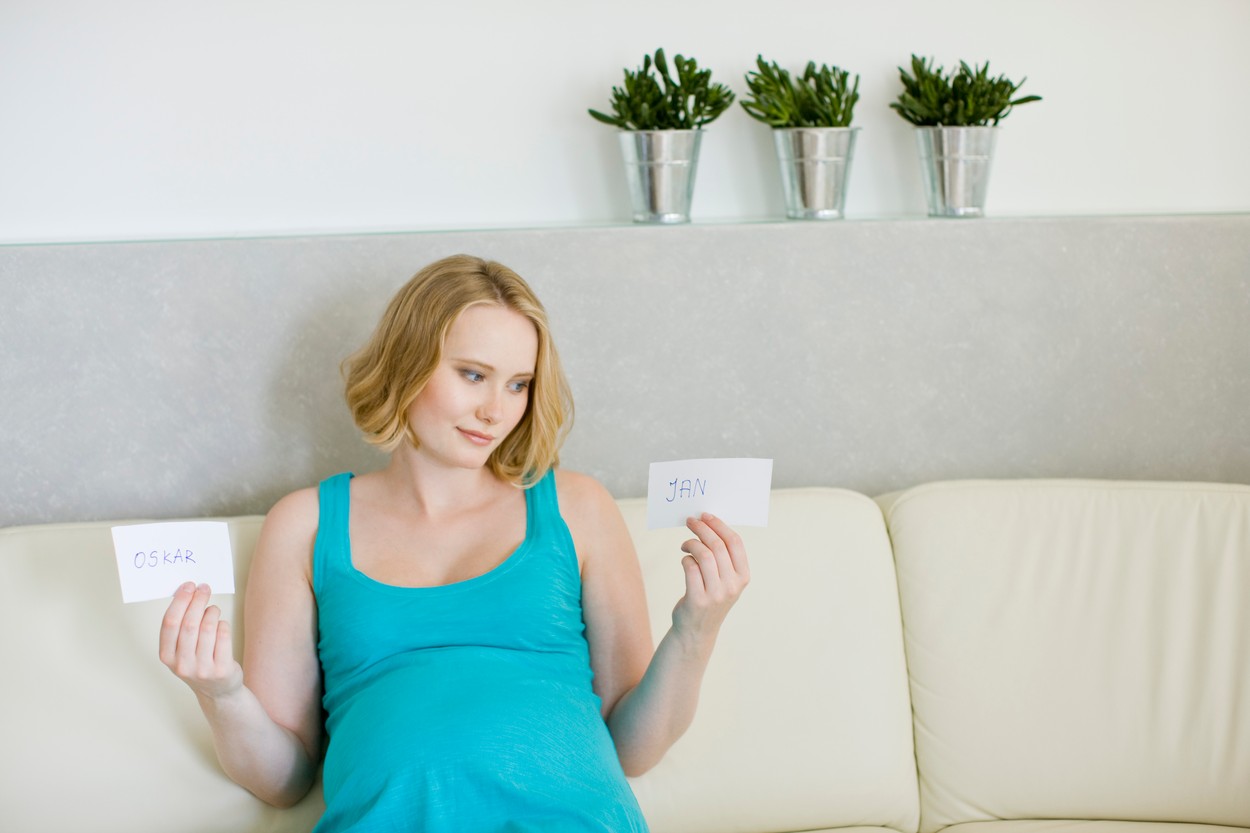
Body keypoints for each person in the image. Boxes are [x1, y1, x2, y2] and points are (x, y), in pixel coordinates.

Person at [158, 254, 750, 832]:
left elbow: (634, 750)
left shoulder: (578, 508)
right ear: (406, 364)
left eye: (518, 385)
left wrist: (697, 629)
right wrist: (222, 694)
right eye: (473, 375)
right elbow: (284, 782)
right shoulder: (304, 524)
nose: (496, 411)